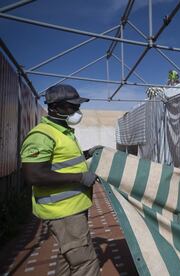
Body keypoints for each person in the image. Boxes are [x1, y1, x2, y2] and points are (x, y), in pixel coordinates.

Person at [20, 84, 102, 276]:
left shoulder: (62, 131)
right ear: (54, 107)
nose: (77, 111)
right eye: (72, 107)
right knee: (86, 263)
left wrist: (87, 154)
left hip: (72, 207)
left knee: (68, 258)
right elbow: (34, 175)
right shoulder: (41, 136)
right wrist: (80, 177)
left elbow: (62, 161)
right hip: (63, 211)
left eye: (77, 106)